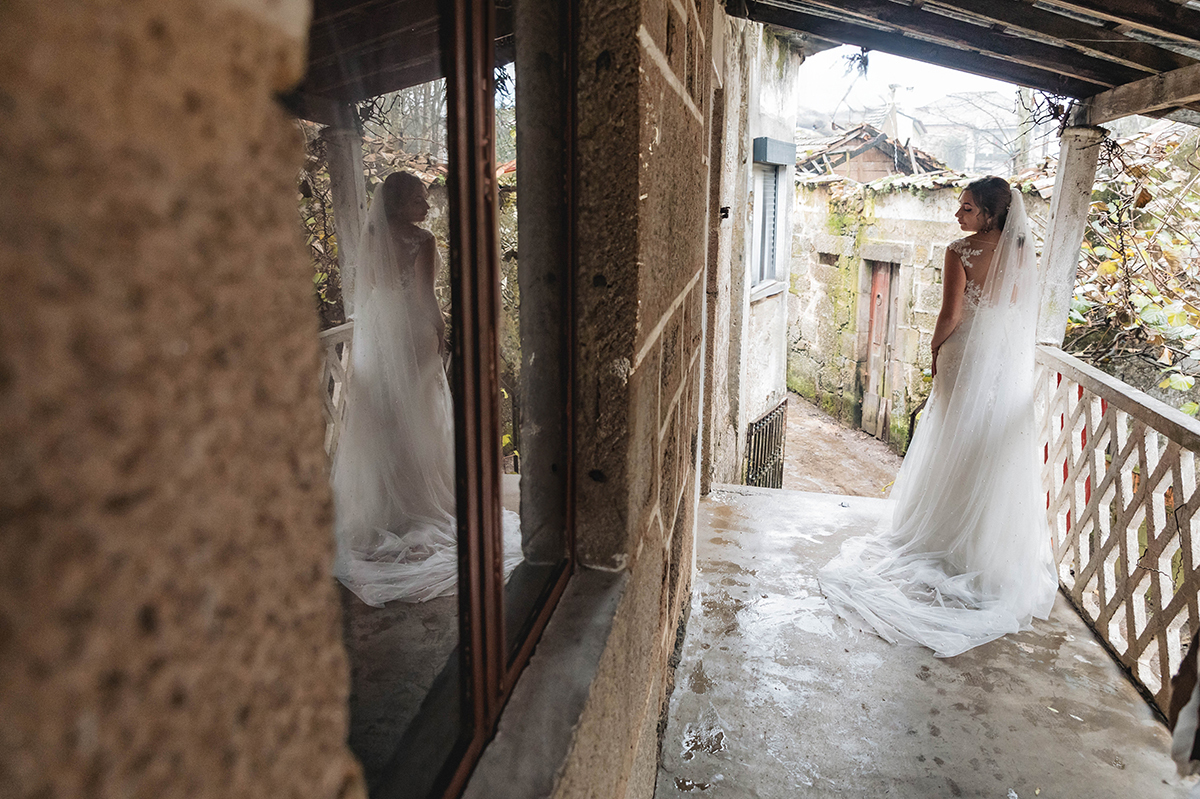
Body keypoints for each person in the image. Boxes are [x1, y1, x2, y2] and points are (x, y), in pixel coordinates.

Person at [819, 176, 1058, 657]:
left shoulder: (959, 251)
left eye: (966, 208)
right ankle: (978, 549)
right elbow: (1018, 312)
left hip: (965, 355)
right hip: (1003, 360)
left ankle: (941, 539)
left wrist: (934, 349)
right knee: (987, 444)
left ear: (989, 215)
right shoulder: (1022, 253)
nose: (957, 215)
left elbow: (950, 315)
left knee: (951, 438)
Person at [331, 171, 520, 606]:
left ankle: (390, 505)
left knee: (387, 416)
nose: (426, 207)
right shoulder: (423, 241)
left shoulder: (372, 235)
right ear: (399, 203)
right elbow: (425, 296)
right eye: (419, 199)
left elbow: (372, 289)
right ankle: (421, 499)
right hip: (412, 335)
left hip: (379, 335)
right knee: (421, 416)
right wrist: (441, 329)